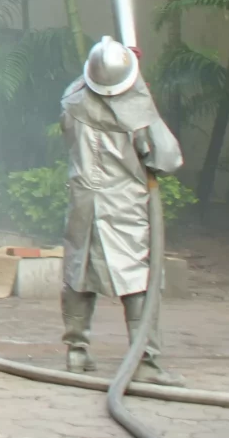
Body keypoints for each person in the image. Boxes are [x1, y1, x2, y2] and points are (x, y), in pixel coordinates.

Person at [60, 35, 184, 385]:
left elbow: (84, 88)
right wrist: (141, 92)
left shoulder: (72, 101)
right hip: (124, 202)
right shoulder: (137, 112)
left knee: (78, 272)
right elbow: (167, 158)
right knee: (138, 279)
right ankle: (145, 361)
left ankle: (76, 351)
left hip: (83, 198)